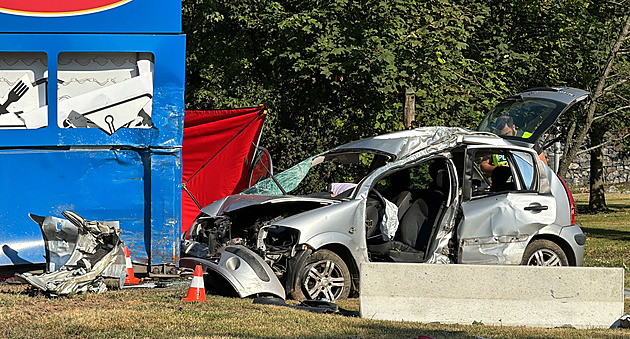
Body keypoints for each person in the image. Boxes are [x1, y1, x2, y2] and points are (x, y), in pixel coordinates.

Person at [480, 115, 548, 176]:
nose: (504, 137)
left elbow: (544, 166)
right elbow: (484, 165)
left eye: (507, 133)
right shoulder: (496, 141)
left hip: (524, 185)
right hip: (501, 186)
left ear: (513, 127)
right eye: (501, 135)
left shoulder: (528, 139)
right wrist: (497, 170)